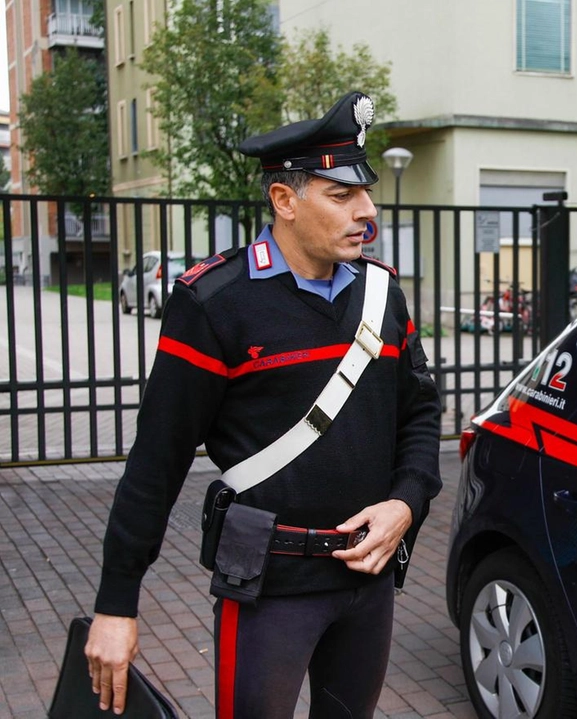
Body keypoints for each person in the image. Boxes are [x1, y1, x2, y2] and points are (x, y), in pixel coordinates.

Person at [84, 91, 442, 718]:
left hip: (370, 580)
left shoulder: (384, 295)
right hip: (267, 587)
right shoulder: (214, 302)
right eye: (341, 195)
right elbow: (156, 461)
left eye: (365, 192)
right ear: (284, 200)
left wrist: (406, 503)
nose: (367, 212)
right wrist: (117, 604)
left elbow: (419, 412)